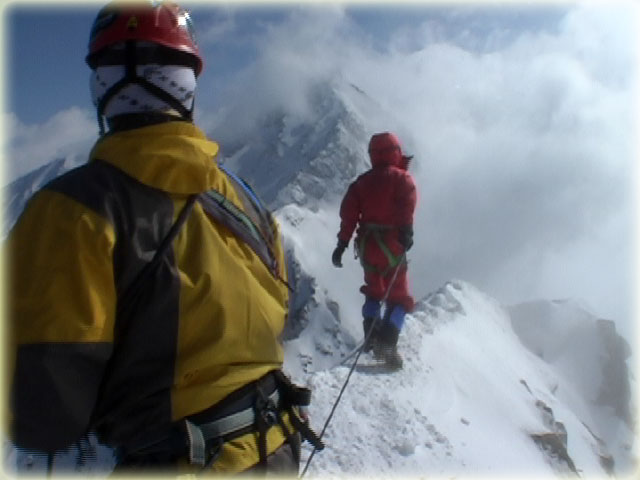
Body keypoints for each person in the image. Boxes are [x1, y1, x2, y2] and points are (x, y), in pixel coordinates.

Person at [5, 1, 321, 474]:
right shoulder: (248, 203)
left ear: (100, 87)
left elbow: (43, 413)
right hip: (272, 447)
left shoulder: (68, 212)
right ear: (187, 84)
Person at [332, 132, 417, 369]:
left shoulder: (361, 183)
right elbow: (407, 204)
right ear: (395, 152)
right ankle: (387, 345)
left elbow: (349, 216)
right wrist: (406, 231)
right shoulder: (402, 179)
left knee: (374, 291)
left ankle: (371, 332)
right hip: (392, 244)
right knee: (399, 298)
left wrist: (341, 244)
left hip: (368, 246)